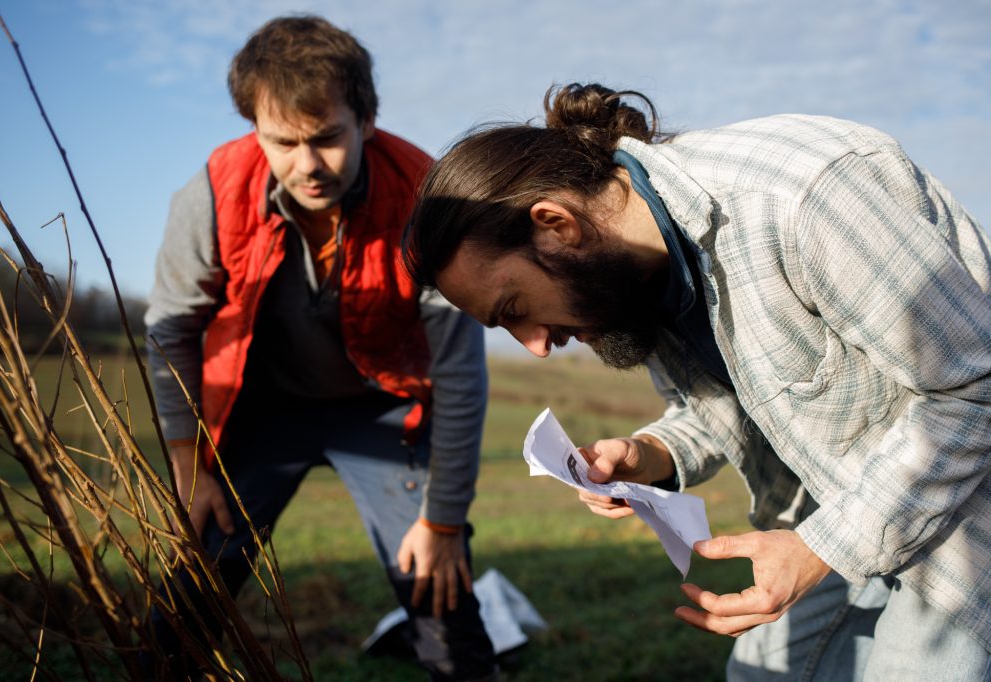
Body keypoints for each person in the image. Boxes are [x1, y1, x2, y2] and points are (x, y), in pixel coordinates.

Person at [401, 82, 991, 680]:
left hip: (969, 528)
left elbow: (975, 391)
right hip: (853, 511)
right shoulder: (631, 274)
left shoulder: (802, 198)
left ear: (555, 225)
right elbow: (741, 401)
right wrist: (651, 454)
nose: (536, 346)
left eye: (513, 308)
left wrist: (820, 549)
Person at [144, 15, 496, 681]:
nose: (306, 165)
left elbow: (458, 366)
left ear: (366, 119)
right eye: (282, 142)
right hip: (259, 406)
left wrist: (444, 522)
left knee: (435, 586)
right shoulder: (215, 192)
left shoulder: (427, 196)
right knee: (195, 577)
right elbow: (170, 329)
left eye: (328, 138)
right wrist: (189, 463)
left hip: (384, 407)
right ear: (255, 129)